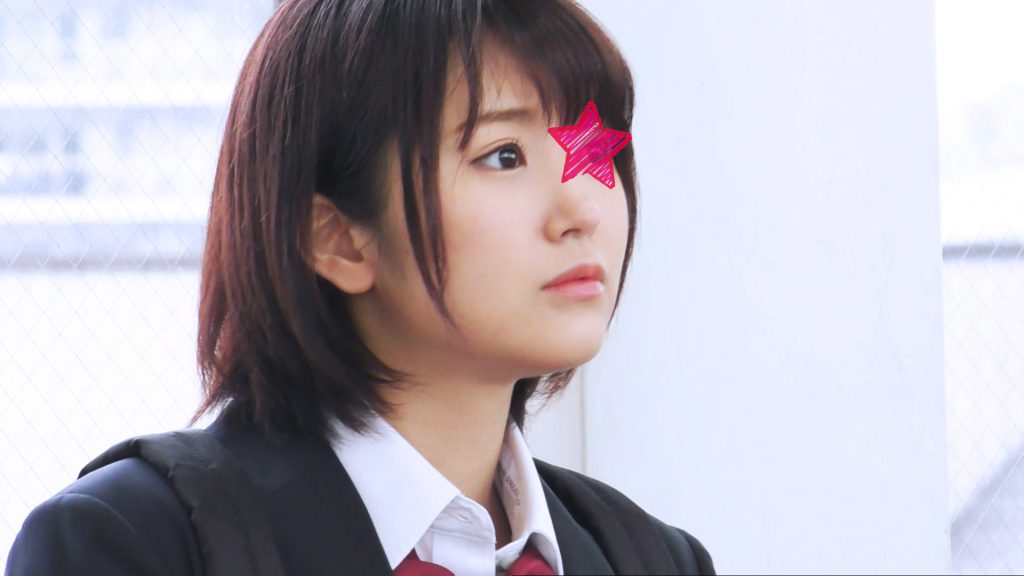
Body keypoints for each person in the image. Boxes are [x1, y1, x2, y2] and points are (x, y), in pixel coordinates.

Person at [6, 0, 715, 574]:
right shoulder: (133, 545)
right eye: (504, 155)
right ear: (336, 238)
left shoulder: (655, 559)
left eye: (594, 151)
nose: (584, 208)